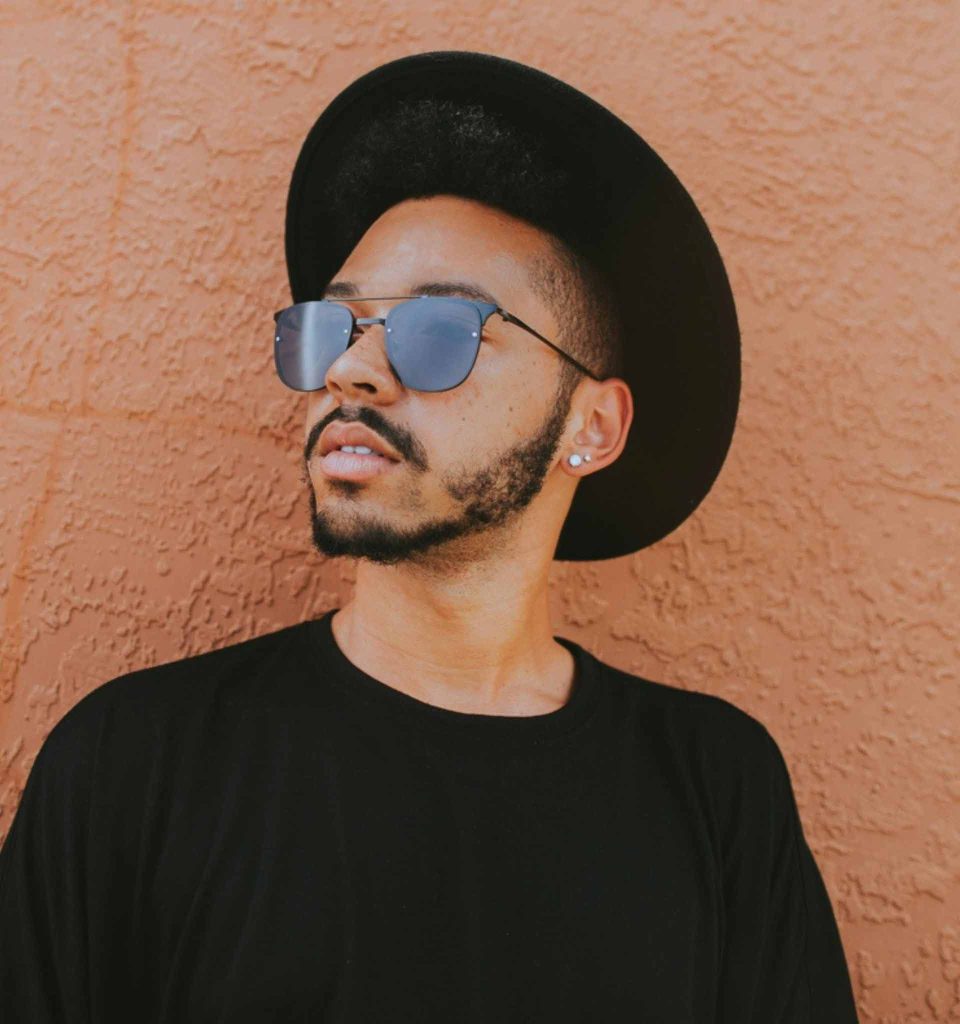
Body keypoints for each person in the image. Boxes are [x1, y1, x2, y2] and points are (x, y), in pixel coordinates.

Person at [0, 51, 860, 1022]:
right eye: (338, 325)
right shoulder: (134, 765)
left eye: (440, 331)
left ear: (594, 426)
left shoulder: (713, 788)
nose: (355, 372)